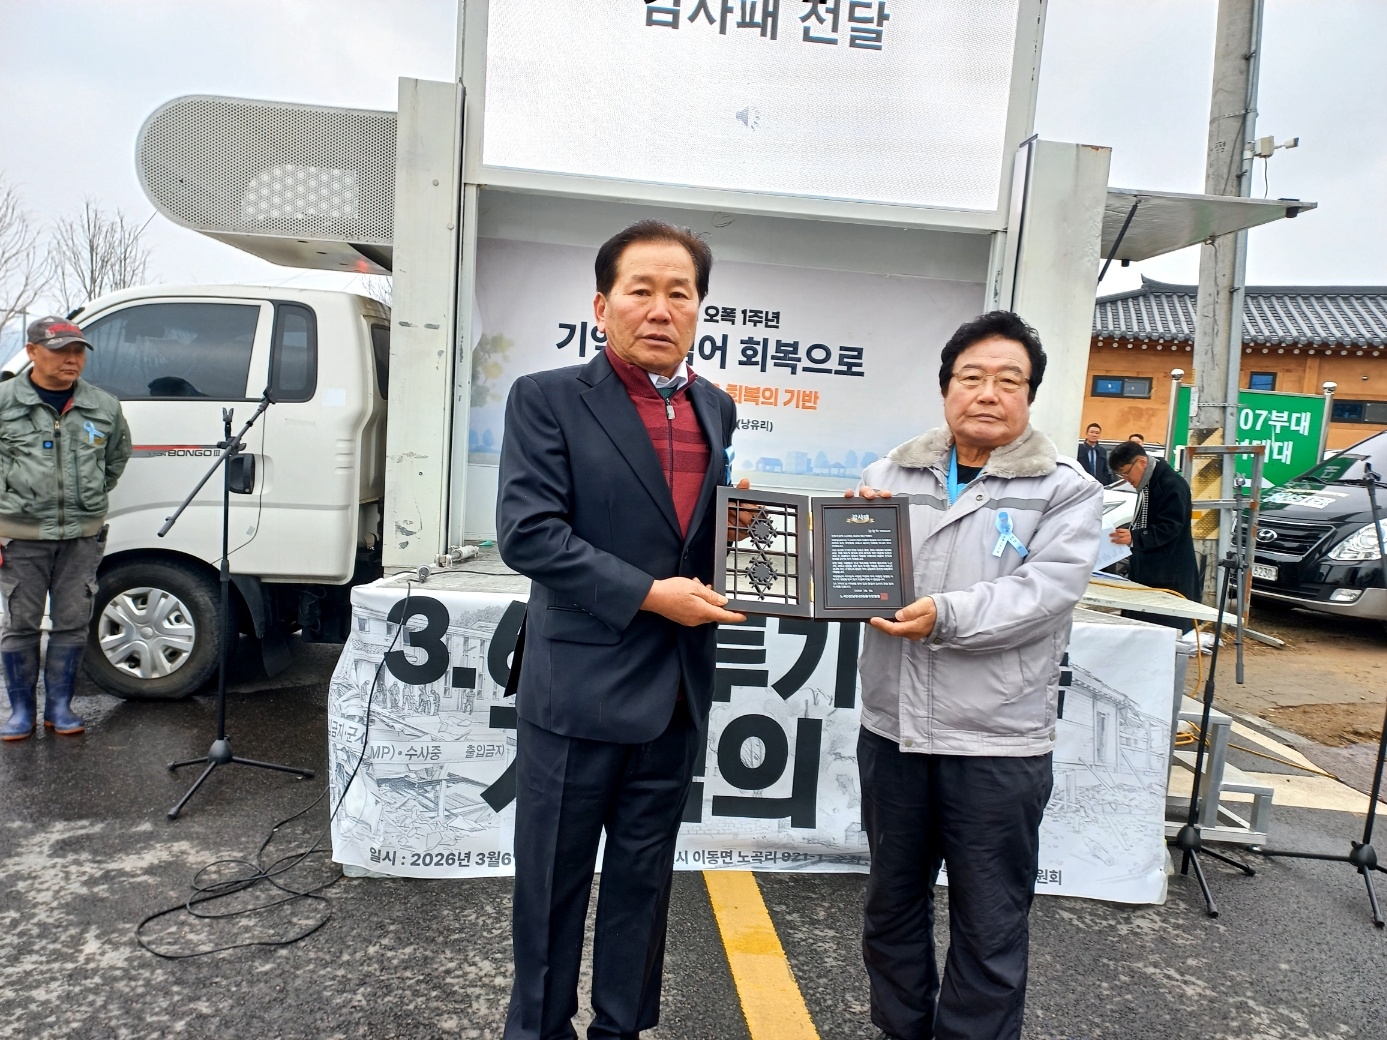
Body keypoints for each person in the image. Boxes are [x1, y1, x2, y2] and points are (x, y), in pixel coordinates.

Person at [496, 220, 743, 1039]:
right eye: (642, 290)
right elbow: (529, 535)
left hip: (674, 694)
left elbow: (703, 536)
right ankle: (538, 1030)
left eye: (680, 293)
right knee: (551, 886)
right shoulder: (547, 398)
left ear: (699, 308)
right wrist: (650, 595)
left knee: (644, 883)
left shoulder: (716, 407)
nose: (660, 309)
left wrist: (816, 542)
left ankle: (620, 1029)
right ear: (603, 306)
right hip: (576, 691)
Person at [848, 311, 1101, 1040]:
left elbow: (1043, 593)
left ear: (1030, 396)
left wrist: (944, 614)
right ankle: (901, 1031)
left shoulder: (1066, 491)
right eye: (972, 377)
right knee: (890, 909)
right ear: (945, 388)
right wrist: (839, 538)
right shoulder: (884, 476)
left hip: (996, 743)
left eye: (1008, 381)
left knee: (989, 924)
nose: (988, 393)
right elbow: (851, 577)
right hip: (894, 733)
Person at [1, 317, 131, 741]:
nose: (71, 359)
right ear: (32, 352)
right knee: (20, 624)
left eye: (77, 351)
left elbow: (116, 458)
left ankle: (60, 706)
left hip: (81, 536)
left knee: (72, 623)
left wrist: (88, 494)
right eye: (60, 351)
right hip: (20, 535)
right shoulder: (4, 402)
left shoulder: (103, 406)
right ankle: (22, 711)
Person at [1107, 440, 1200, 629]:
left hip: (1168, 572)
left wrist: (1135, 537)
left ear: (1141, 462)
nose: (1125, 478)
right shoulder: (1148, 483)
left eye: (1126, 472)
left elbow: (1170, 526)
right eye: (1120, 475)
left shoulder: (1172, 485)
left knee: (1163, 627)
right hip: (1148, 569)